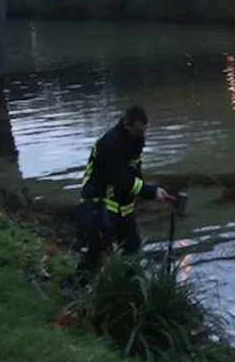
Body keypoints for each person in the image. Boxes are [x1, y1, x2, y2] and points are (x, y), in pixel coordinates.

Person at [67, 106, 175, 286]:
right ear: (127, 125)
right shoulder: (110, 144)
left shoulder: (135, 142)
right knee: (95, 256)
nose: (142, 135)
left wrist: (149, 193)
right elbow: (121, 178)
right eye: (138, 131)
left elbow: (133, 174)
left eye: (144, 131)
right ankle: (73, 292)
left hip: (122, 207)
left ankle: (129, 290)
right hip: (98, 205)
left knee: (132, 251)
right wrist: (151, 191)